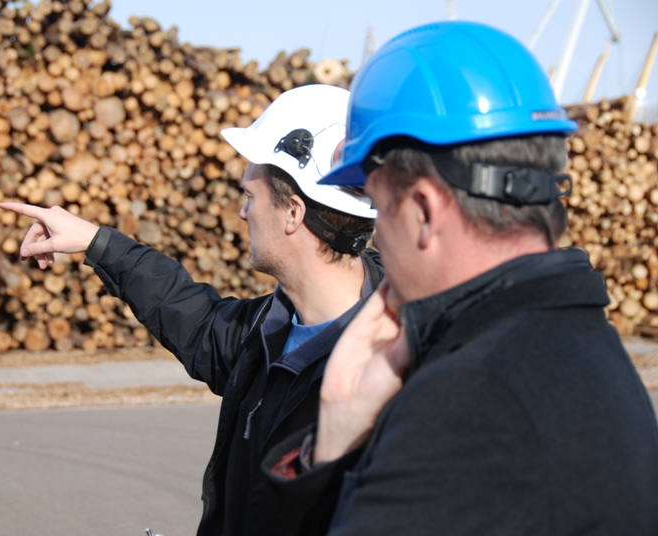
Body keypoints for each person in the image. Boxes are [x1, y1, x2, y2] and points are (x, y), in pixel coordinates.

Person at [262, 21, 658, 535]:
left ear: (424, 211)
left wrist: (334, 439)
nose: (379, 238)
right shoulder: (588, 351)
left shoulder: (468, 399)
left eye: (379, 206)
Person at [0, 84, 383, 536]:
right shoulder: (270, 329)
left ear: (293, 213)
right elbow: (199, 321)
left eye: (251, 196)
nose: (242, 212)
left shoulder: (389, 370)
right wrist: (97, 241)